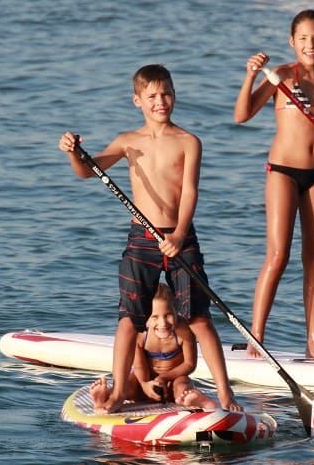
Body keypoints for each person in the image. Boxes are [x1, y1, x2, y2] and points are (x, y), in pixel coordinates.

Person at [59, 63, 239, 414]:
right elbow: (87, 170)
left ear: (175, 95)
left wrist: (181, 233)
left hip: (181, 238)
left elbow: (190, 192)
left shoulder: (189, 141)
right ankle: (113, 395)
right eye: (153, 96)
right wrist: (72, 152)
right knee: (129, 320)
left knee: (200, 319)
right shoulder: (128, 142)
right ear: (137, 100)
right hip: (141, 239)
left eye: (167, 93)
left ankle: (226, 394)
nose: (161, 101)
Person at [233, 9, 314, 361]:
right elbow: (242, 115)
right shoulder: (279, 76)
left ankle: (313, 341)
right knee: (279, 254)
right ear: (292, 42)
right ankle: (256, 335)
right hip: (283, 172)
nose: (310, 44)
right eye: (303, 38)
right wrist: (250, 75)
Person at [89, 284, 216, 409]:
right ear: (145, 317)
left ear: (176, 310)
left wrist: (164, 377)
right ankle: (104, 397)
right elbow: (139, 366)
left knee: (182, 385)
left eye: (168, 315)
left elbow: (189, 364)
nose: (163, 323)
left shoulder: (183, 330)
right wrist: (145, 384)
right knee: (128, 385)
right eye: (154, 317)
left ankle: (195, 400)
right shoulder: (140, 334)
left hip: (173, 379)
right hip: (145, 381)